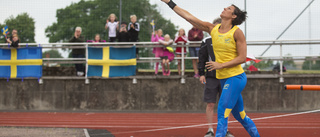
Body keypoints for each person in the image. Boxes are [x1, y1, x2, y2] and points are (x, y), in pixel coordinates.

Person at [160, 1, 260, 137]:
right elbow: (189, 17)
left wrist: (220, 65)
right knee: (240, 116)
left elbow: (242, 58)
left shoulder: (237, 33)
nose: (224, 8)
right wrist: (170, 3)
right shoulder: (213, 29)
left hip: (236, 77)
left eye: (229, 8)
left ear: (234, 16)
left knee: (222, 110)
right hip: (224, 78)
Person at [198, 18, 234, 137]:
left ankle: (225, 129)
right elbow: (202, 58)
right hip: (212, 76)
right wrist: (201, 73)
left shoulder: (229, 38)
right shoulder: (206, 41)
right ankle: (210, 129)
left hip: (226, 75)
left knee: (225, 104)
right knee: (210, 104)